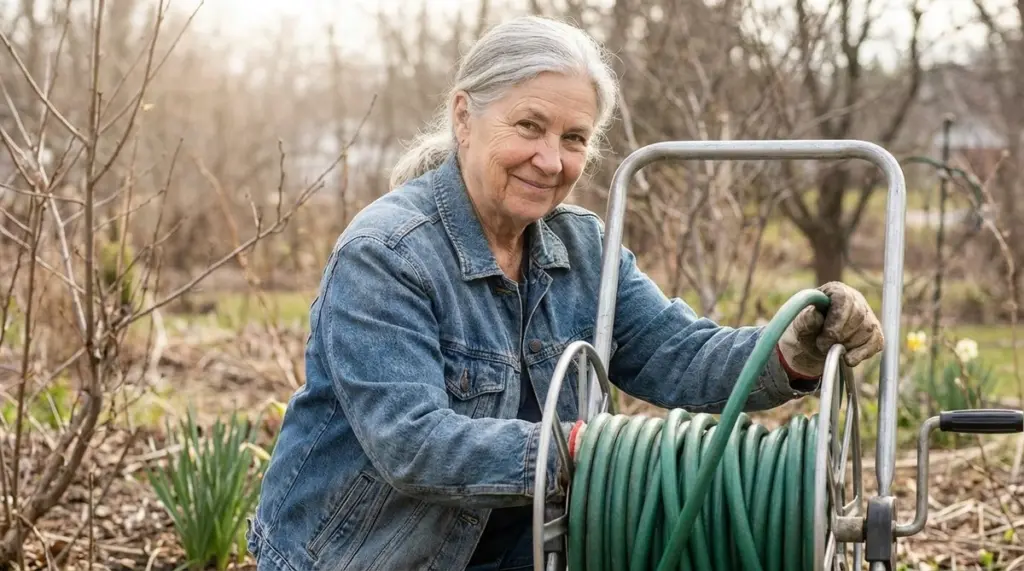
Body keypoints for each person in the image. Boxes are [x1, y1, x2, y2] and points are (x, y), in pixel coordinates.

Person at [245, 14, 884, 571]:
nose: (551, 161)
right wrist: (590, 452)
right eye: (530, 126)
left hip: (532, 552)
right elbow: (414, 444)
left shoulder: (581, 248)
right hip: (371, 556)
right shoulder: (387, 254)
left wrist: (791, 351)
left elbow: (677, 353)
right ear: (464, 116)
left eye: (574, 138)